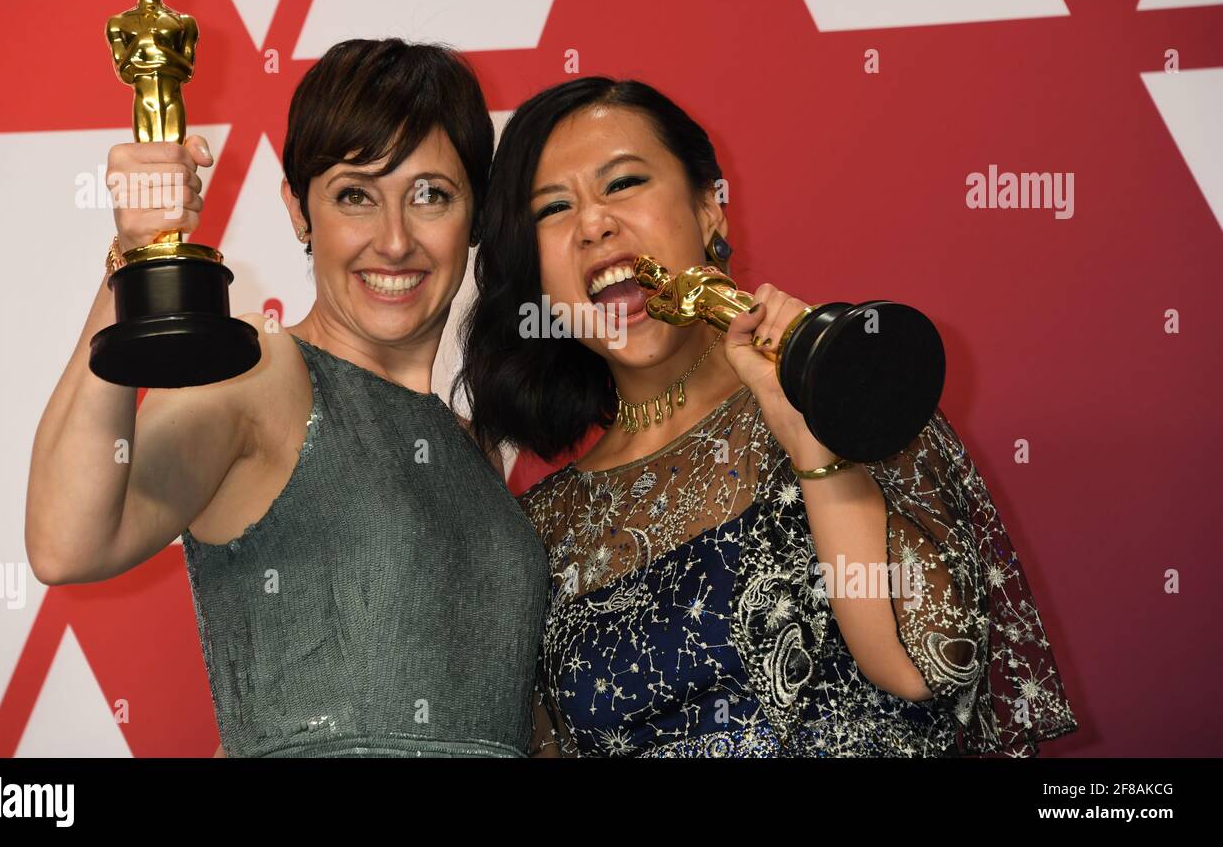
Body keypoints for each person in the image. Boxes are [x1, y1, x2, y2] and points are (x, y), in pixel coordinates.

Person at [459, 77, 1080, 757]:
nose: (594, 223)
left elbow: (926, 663)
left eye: (625, 183)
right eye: (552, 208)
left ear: (709, 209)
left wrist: (814, 443)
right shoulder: (544, 526)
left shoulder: (847, 389)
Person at [26, 38, 548, 757]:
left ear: (478, 214)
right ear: (299, 212)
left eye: (430, 194)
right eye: (354, 196)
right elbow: (66, 540)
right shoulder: (264, 373)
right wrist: (134, 258)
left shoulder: (473, 443)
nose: (394, 241)